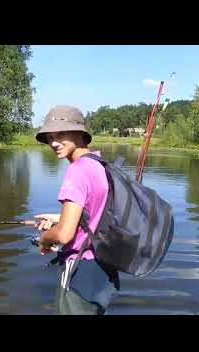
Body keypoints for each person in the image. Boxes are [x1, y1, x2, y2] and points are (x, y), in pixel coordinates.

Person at [34, 105, 119, 315]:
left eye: (61, 133)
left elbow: (64, 234)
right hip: (105, 269)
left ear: (80, 134)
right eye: (49, 137)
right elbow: (98, 212)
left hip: (80, 270)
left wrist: (45, 239)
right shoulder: (100, 165)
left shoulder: (77, 171)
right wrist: (60, 217)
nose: (53, 142)